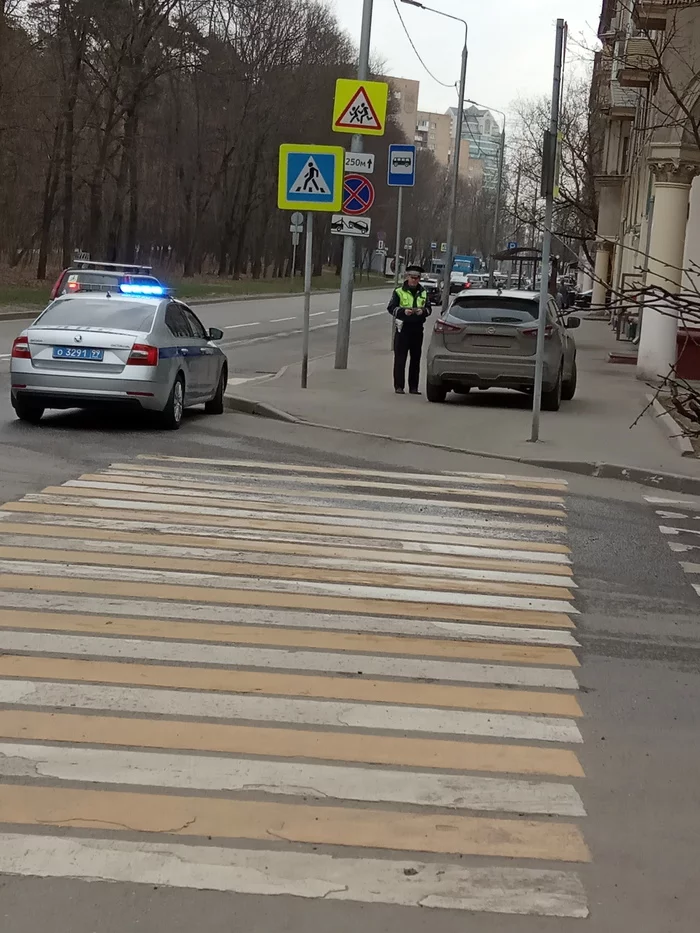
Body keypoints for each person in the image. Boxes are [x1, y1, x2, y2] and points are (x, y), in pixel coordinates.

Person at [387, 264, 432, 395]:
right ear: (407, 277)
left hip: (417, 328)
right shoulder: (399, 291)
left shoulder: (423, 292)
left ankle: (413, 387)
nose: (415, 280)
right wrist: (403, 311)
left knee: (416, 359)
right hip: (403, 328)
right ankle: (399, 386)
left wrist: (422, 311)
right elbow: (391, 308)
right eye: (412, 277)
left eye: (417, 278)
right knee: (400, 358)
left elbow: (429, 309)